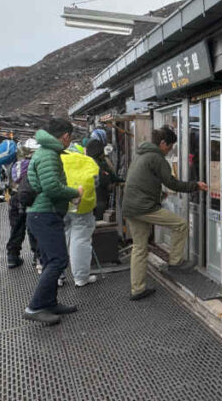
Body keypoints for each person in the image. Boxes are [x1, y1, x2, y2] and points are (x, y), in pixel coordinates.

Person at [123, 126, 207, 301]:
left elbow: (141, 182)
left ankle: (137, 289)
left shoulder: (140, 154)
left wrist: (159, 194)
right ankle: (175, 263)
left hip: (131, 206)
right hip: (144, 207)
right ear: (162, 143)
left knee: (139, 247)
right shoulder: (156, 157)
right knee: (180, 224)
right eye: (170, 147)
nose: (170, 150)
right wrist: (195, 186)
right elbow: (172, 183)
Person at [23, 118, 84, 326]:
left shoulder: (46, 152)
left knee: (50, 260)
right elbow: (51, 187)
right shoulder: (49, 155)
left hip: (42, 214)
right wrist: (74, 192)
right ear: (65, 136)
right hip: (44, 214)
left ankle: (49, 303)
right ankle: (35, 307)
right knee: (58, 260)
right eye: (70, 137)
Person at [61, 145, 100, 287]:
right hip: (82, 205)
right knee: (80, 240)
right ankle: (81, 277)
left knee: (60, 238)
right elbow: (96, 183)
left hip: (61, 203)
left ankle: (57, 276)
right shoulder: (88, 161)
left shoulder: (57, 159)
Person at [5, 139, 41, 269]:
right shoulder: (35, 164)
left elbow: (8, 183)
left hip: (14, 198)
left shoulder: (14, 165)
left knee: (16, 228)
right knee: (33, 228)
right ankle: (37, 256)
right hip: (30, 199)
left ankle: (12, 257)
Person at [86, 138, 124, 220]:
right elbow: (109, 178)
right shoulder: (101, 164)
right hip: (99, 199)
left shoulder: (86, 162)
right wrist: (121, 181)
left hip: (88, 200)